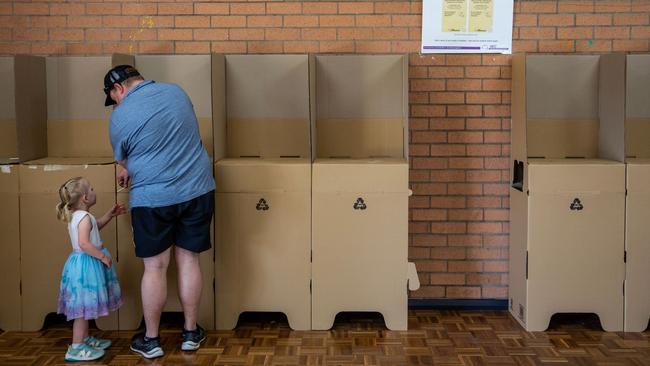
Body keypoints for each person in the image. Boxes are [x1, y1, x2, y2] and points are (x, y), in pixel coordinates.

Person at [104, 65, 216, 359]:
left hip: (153, 197)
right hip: (197, 188)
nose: (116, 103)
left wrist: (126, 166)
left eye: (113, 97)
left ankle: (151, 340)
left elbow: (124, 159)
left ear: (119, 90)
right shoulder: (177, 92)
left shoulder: (120, 115)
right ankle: (191, 333)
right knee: (189, 259)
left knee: (155, 267)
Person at [56, 177, 125, 362]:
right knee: (82, 309)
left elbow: (95, 228)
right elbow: (85, 243)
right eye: (92, 189)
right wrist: (102, 256)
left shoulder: (78, 215)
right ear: (85, 198)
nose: (95, 191)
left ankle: (85, 339)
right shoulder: (84, 217)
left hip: (81, 263)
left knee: (85, 306)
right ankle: (76, 347)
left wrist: (109, 215)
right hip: (87, 265)